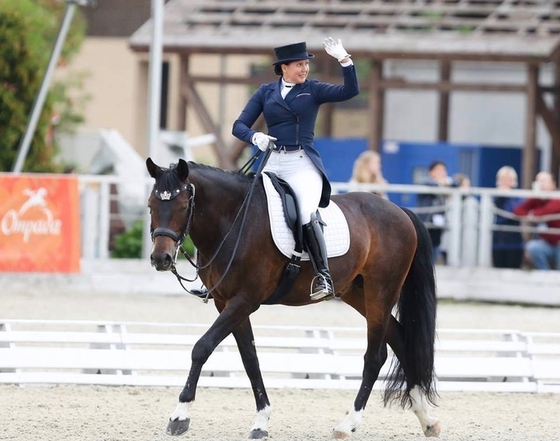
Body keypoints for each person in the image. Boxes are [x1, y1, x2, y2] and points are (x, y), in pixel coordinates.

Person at [232, 38, 359, 300]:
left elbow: (349, 91)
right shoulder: (266, 92)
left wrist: (345, 60)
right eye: (299, 65)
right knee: (241, 207)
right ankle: (226, 274)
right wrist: (256, 137)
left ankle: (323, 275)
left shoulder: (313, 90)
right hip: (272, 163)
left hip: (301, 164)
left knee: (304, 213)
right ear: (284, 68)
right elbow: (239, 126)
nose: (305, 69)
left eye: (306, 64)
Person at [416, 160, 463, 264]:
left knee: (436, 246)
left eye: (443, 170)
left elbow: (457, 184)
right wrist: (441, 183)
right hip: (425, 221)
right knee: (423, 248)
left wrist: (447, 182)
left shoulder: (447, 183)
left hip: (439, 221)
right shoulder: (426, 182)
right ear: (431, 172)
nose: (441, 173)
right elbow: (429, 185)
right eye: (438, 170)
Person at [513, 171, 560, 270]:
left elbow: (547, 211)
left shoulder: (557, 197)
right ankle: (545, 275)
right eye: (538, 181)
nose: (541, 184)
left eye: (544, 181)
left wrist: (532, 214)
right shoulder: (536, 198)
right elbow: (518, 211)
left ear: (553, 184)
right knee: (532, 247)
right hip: (547, 243)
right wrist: (532, 213)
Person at [492, 166, 524, 269]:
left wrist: (505, 195)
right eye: (503, 179)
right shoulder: (492, 196)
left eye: (508, 179)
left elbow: (514, 213)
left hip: (514, 241)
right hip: (497, 240)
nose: (505, 182)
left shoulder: (518, 197)